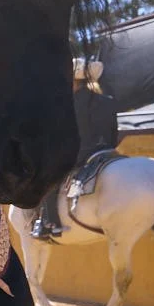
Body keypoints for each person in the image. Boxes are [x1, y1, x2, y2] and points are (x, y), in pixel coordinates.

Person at [31, 57, 121, 240]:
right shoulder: (107, 100)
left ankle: (50, 223)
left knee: (48, 175)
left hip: (81, 153)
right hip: (108, 152)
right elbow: (113, 134)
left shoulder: (67, 105)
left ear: (71, 80)